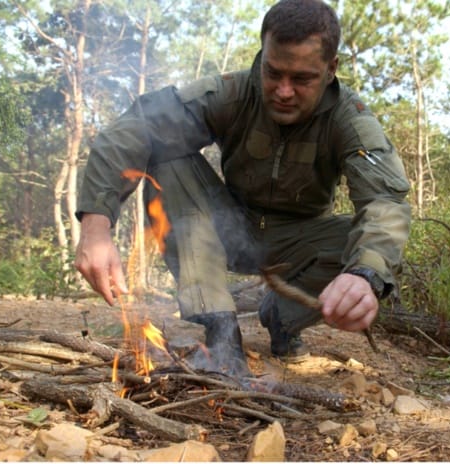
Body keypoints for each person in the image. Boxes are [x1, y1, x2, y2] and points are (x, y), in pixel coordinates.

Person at [75, 0, 411, 378]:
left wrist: (364, 276)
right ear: (261, 55)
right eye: (273, 72)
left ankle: (283, 319)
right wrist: (96, 225)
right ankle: (220, 331)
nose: (283, 91)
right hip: (226, 228)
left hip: (299, 244)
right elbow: (138, 125)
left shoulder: (351, 119)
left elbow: (385, 200)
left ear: (331, 70)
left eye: (302, 79)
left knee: (372, 251)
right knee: (167, 157)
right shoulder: (232, 93)